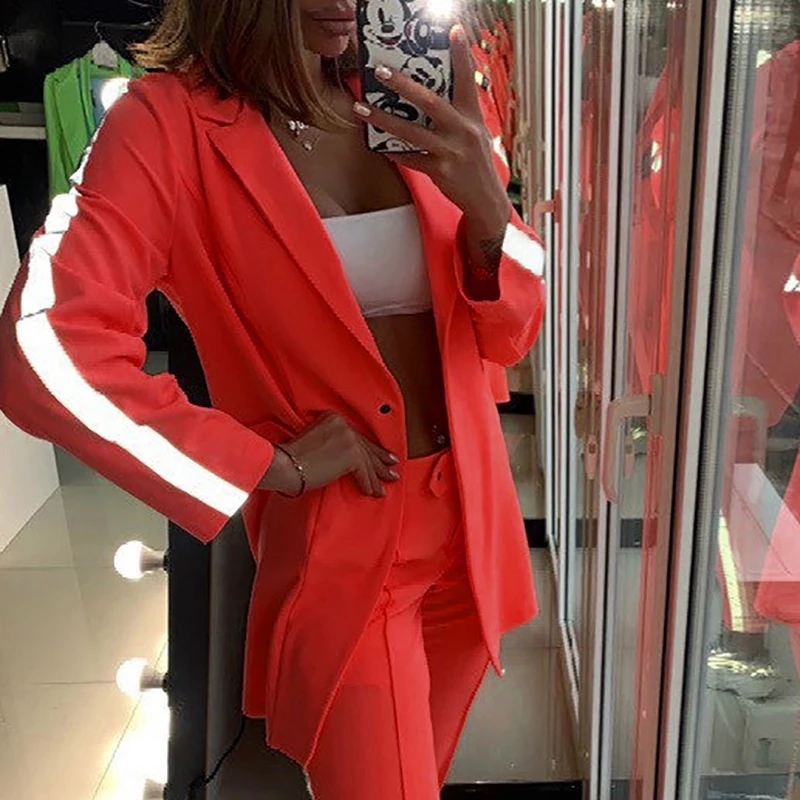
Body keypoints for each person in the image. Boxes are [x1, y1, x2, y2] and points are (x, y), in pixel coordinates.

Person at [0, 0, 545, 796]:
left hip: (472, 528)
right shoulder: (166, 126)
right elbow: (41, 346)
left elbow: (512, 332)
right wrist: (262, 462)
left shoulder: (403, 91)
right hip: (352, 547)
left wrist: (490, 213)